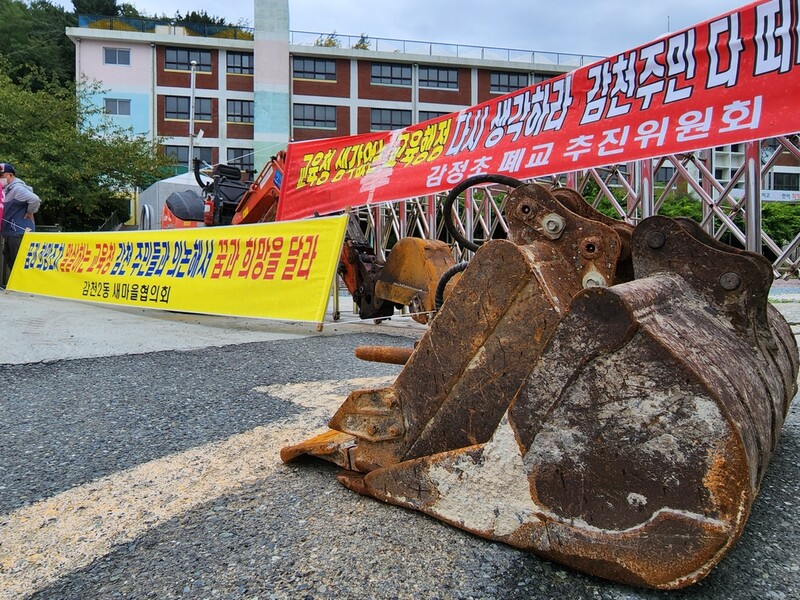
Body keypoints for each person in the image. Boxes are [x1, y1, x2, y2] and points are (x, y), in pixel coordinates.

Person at [1, 162, 40, 285]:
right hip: (10, 231)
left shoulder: (17, 189)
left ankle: (24, 284)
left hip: (19, 231)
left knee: (18, 258)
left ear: (10, 175)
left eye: (1, 175)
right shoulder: (6, 190)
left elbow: (35, 199)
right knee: (8, 255)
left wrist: (30, 212)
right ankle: (19, 283)